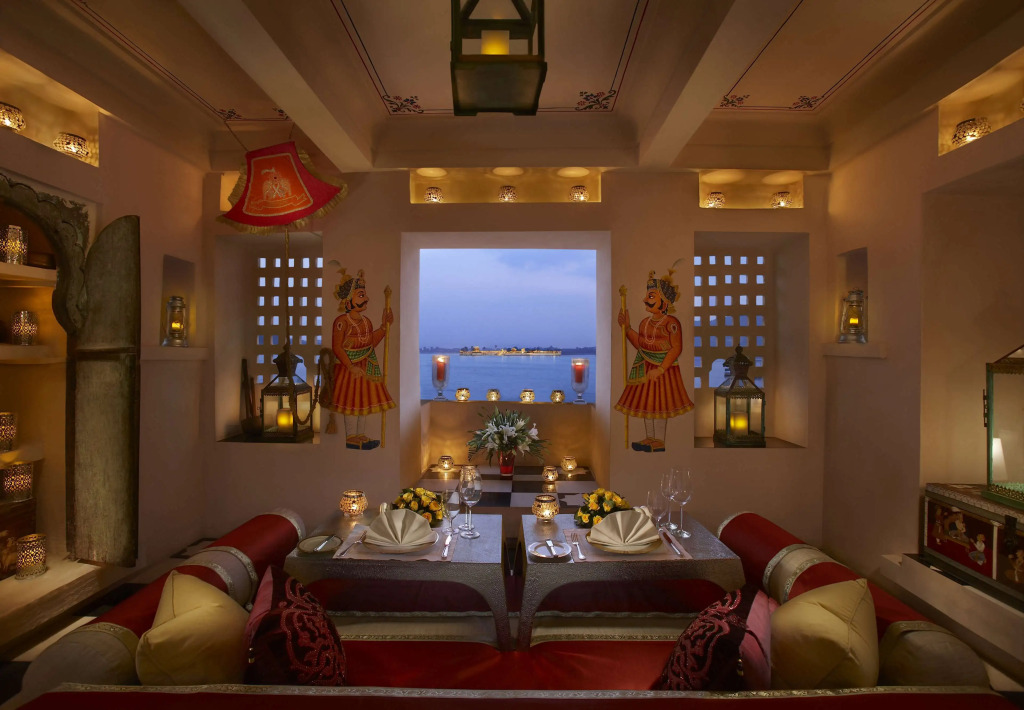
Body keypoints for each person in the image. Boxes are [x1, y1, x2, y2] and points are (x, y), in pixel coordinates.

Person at [615, 269, 694, 452]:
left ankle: (660, 440)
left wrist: (660, 369)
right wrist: (627, 328)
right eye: (647, 296)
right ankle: (650, 437)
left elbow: (676, 348)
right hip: (645, 366)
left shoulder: (671, 323)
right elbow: (641, 344)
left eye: (651, 296)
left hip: (663, 370)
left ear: (664, 301)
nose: (645, 299)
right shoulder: (644, 323)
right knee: (647, 403)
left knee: (660, 404)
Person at [325, 269, 395, 449]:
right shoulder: (341, 322)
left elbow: (370, 343)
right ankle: (351, 437)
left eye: (365, 295)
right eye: (361, 295)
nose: (367, 298)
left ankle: (361, 434)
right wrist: (350, 366)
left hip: (365, 365)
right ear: (348, 300)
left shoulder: (366, 321)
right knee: (350, 402)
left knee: (363, 401)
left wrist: (384, 327)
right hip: (348, 369)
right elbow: (337, 347)